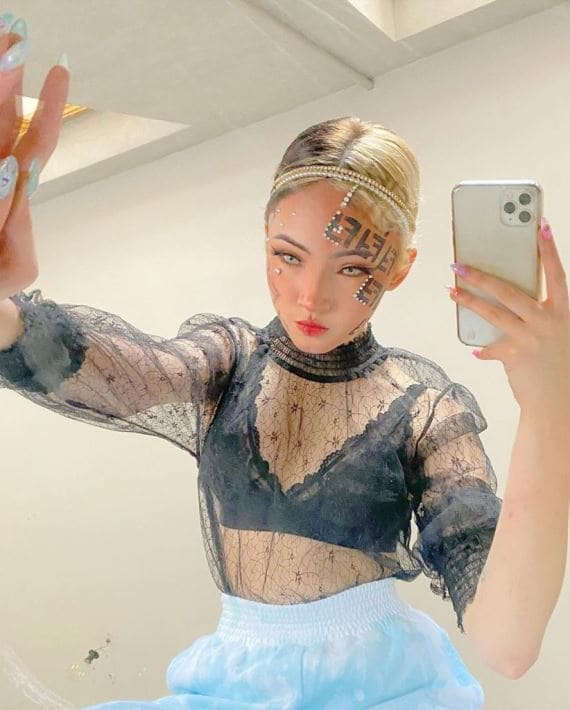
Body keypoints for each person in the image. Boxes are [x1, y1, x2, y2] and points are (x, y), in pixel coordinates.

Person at [0, 20, 502, 710]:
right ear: (265, 237)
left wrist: (550, 397)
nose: (310, 296)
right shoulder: (228, 364)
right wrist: (6, 314)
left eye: (352, 267)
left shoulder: (423, 410)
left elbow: (497, 609)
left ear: (400, 267)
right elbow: (130, 367)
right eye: (288, 257)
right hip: (233, 682)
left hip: (386, 684)